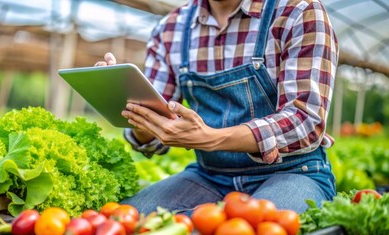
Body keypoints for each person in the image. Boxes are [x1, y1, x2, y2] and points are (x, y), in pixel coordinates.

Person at [95, 0, 338, 215]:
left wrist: (211, 138)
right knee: (132, 219)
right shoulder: (171, 28)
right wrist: (133, 107)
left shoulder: (298, 12)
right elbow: (153, 134)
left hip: (294, 171)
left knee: (253, 229)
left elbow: (305, 120)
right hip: (209, 174)